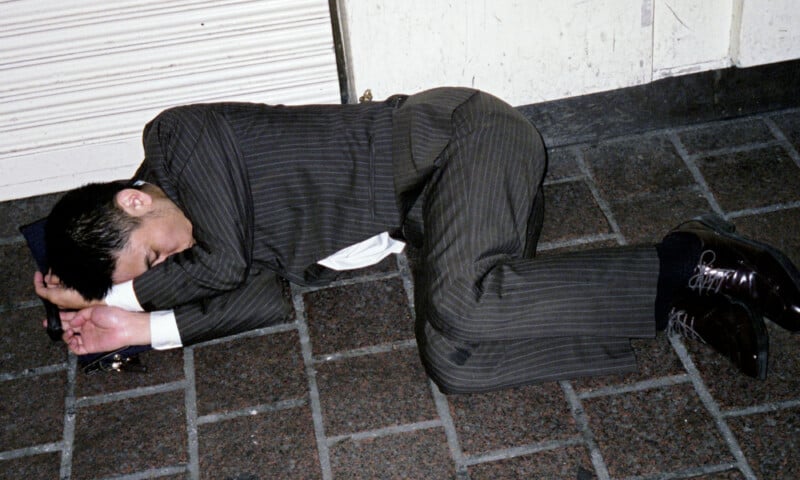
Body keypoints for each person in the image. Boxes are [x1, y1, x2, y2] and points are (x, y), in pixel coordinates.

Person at [35, 87, 800, 393]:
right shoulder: (201, 227)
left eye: (155, 254)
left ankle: (693, 257)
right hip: (440, 216)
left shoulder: (177, 138)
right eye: (158, 267)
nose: (172, 261)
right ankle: (674, 305)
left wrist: (124, 291)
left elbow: (226, 265)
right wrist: (145, 327)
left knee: (463, 309)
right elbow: (262, 293)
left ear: (135, 198)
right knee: (454, 362)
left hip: (463, 140)